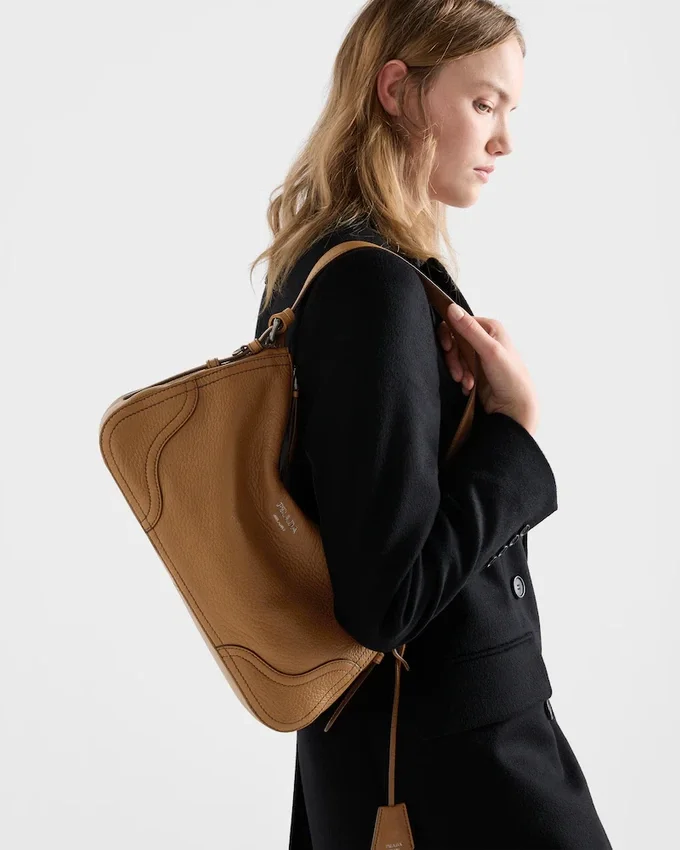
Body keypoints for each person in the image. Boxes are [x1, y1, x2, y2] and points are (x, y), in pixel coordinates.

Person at [251, 1, 613, 847]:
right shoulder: (370, 286)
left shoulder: (323, 267)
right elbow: (388, 599)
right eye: (483, 103)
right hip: (455, 766)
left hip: (387, 749)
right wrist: (513, 431)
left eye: (510, 110)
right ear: (398, 91)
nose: (504, 140)